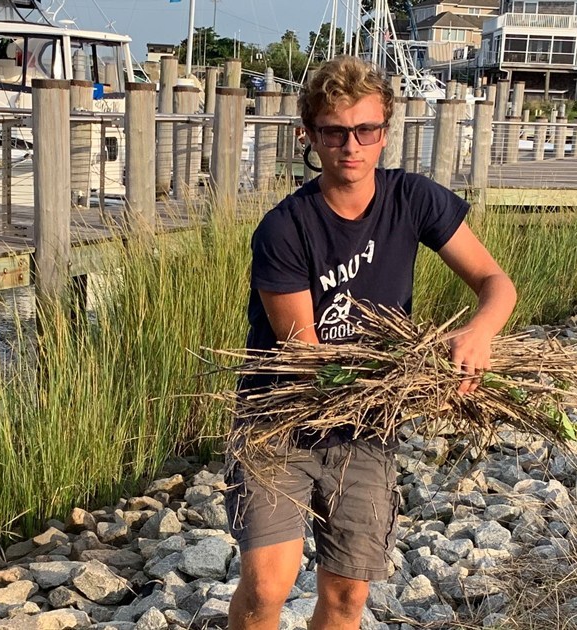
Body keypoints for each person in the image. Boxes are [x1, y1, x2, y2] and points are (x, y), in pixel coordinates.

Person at [224, 56, 517, 629]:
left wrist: (477, 333)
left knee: (347, 596)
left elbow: (495, 283)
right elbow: (307, 358)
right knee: (266, 586)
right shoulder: (284, 229)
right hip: (278, 419)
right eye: (334, 132)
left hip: (365, 430)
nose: (351, 146)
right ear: (309, 135)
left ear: (385, 132)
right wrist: (416, 382)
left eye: (365, 130)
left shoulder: (415, 199)